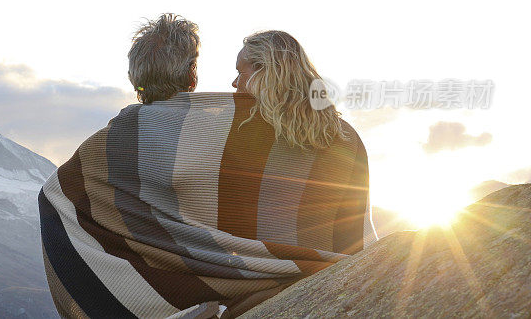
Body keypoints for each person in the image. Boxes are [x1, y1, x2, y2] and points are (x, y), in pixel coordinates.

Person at [39, 20, 376, 319]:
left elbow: (58, 194)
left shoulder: (224, 126)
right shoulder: (345, 136)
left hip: (246, 284)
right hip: (337, 272)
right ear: (190, 72)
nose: (232, 82)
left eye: (241, 71)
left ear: (264, 71)